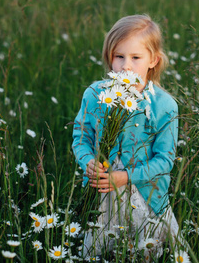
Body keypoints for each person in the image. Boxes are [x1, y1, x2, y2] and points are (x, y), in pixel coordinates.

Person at [72, 14, 179, 261]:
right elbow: (81, 137)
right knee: (102, 249)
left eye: (136, 57)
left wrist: (127, 177)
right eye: (118, 56)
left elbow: (165, 160)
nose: (126, 66)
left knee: (144, 250)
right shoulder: (94, 94)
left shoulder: (165, 106)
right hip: (102, 190)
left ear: (153, 60)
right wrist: (87, 161)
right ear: (109, 58)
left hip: (145, 194)